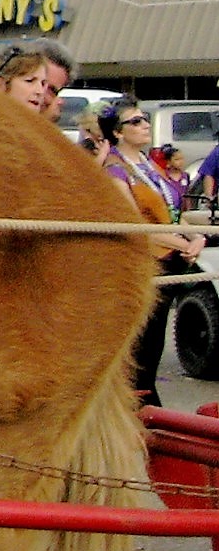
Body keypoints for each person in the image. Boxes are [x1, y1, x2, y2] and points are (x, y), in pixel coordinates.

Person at [98, 99, 207, 407]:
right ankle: (142, 417)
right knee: (140, 357)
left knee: (152, 349)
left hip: (168, 264)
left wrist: (195, 236)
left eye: (145, 119)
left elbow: (171, 214)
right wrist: (184, 244)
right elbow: (134, 226)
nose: (145, 124)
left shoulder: (150, 165)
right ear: (118, 133)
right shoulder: (116, 170)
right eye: (136, 121)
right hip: (144, 269)